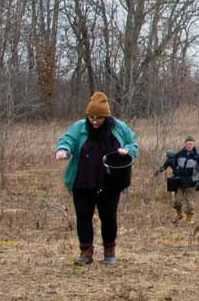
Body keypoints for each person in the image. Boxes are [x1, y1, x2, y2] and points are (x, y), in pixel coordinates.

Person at [53, 92, 139, 266]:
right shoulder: (79, 127)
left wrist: (127, 150)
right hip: (83, 182)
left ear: (106, 116)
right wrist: (63, 150)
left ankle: (109, 252)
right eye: (91, 117)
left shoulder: (120, 128)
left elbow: (134, 144)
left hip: (110, 183)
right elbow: (67, 140)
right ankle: (85, 253)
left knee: (108, 218)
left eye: (99, 118)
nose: (94, 121)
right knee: (83, 217)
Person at [163, 136, 199, 224]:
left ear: (193, 145)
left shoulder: (197, 156)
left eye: (191, 144)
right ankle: (179, 215)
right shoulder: (179, 154)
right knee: (177, 202)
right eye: (188, 144)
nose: (189, 145)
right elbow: (174, 165)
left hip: (191, 183)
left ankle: (189, 219)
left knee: (190, 203)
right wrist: (175, 175)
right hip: (180, 183)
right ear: (185, 144)